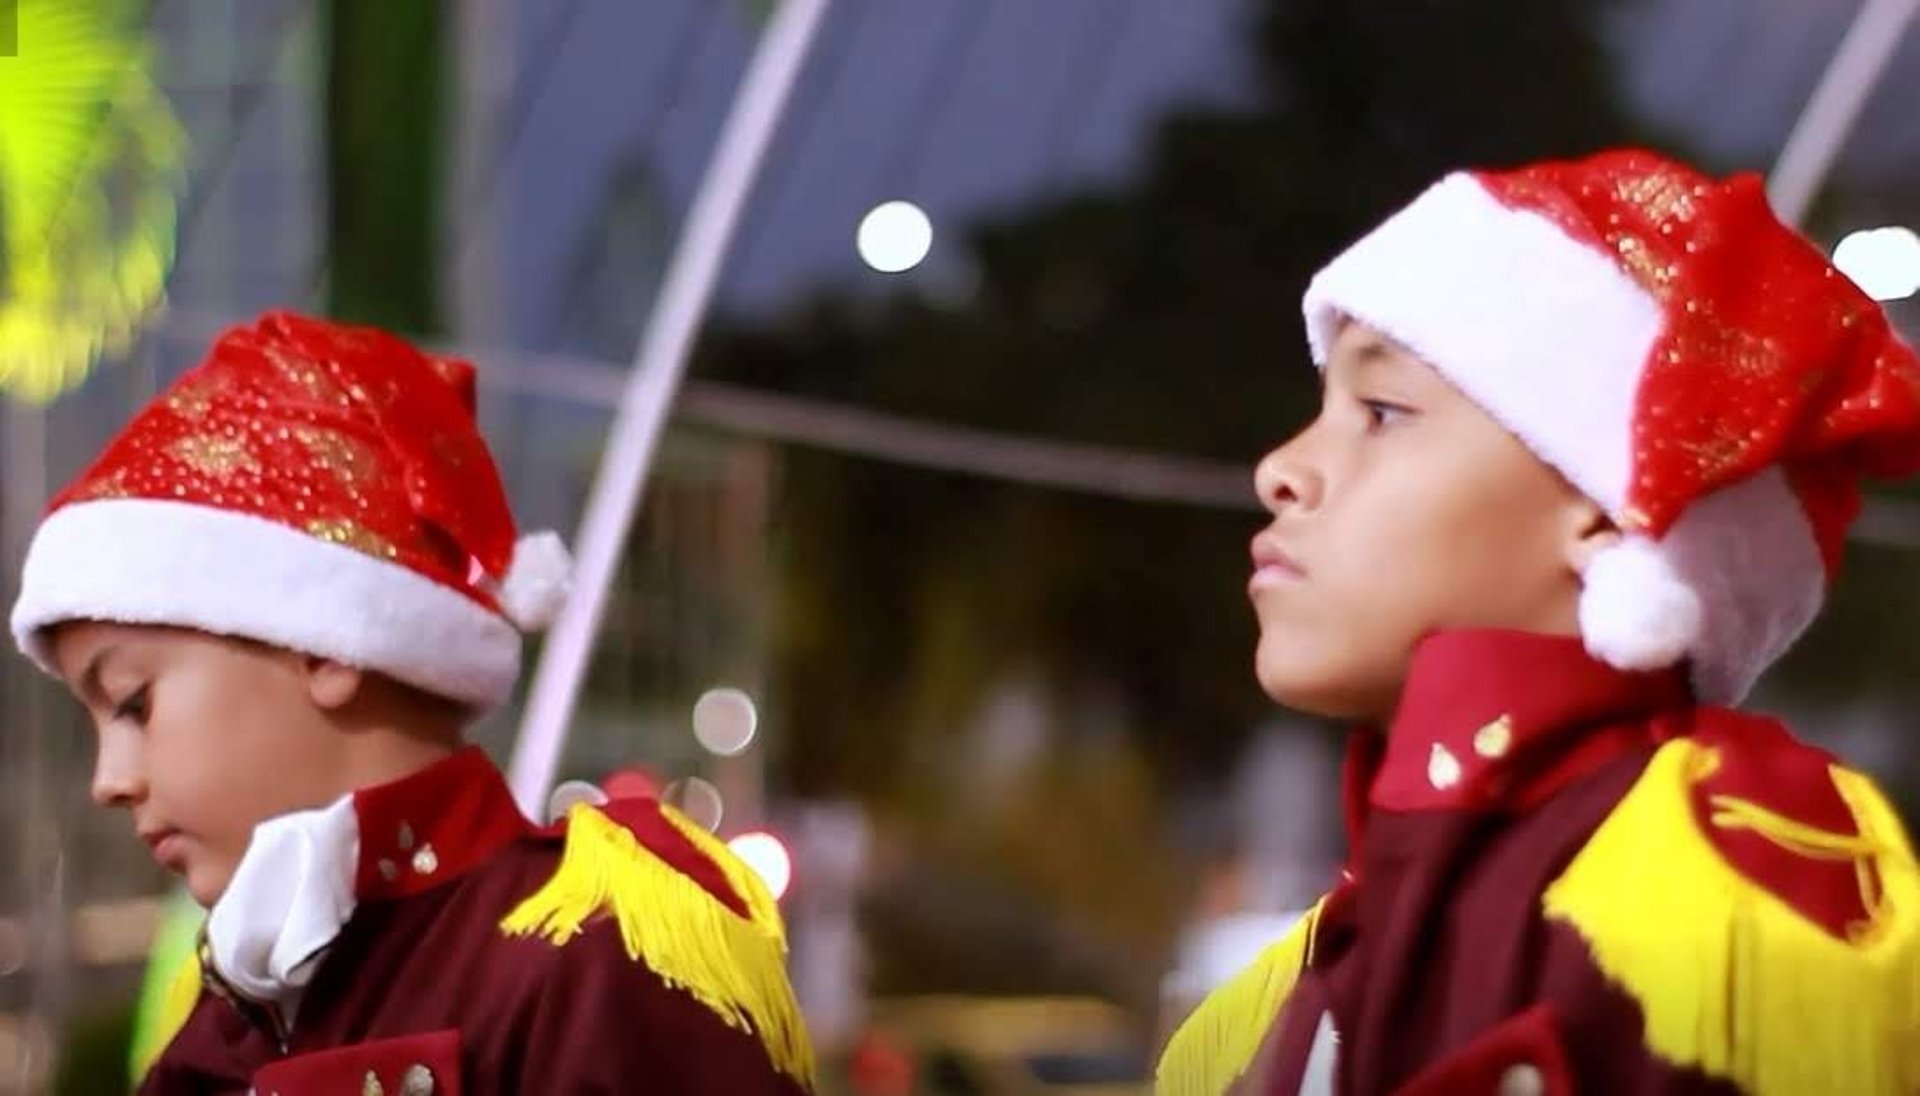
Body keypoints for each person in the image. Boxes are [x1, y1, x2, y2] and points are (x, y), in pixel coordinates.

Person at [1155, 149, 1920, 1095]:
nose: (1281, 469)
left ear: (1613, 505)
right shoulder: (1290, 986)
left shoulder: (1734, 868)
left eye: (1384, 411)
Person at [10, 312, 815, 1094]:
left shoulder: (602, 957)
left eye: (132, 702)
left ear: (324, 640)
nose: (108, 781)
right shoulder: (226, 1018)